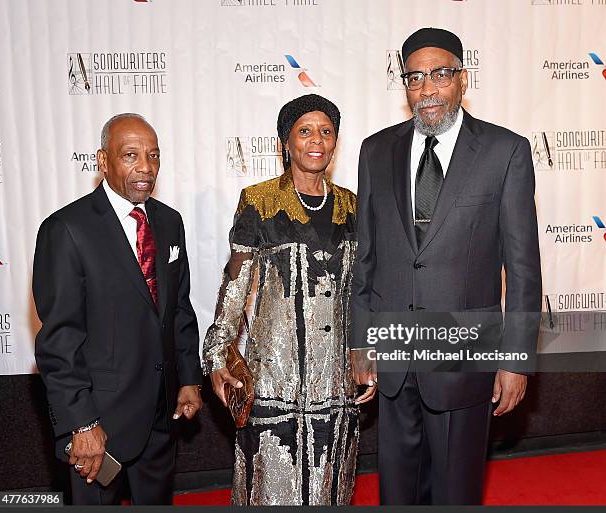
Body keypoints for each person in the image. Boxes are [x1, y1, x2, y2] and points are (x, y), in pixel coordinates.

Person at [352, 28, 542, 505]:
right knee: (398, 491)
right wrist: (360, 340)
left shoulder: (505, 151)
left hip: (464, 353)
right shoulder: (376, 151)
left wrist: (515, 359)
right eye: (415, 77)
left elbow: (522, 268)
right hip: (394, 350)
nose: (428, 88)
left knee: (456, 492)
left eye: (440, 74)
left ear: (462, 78)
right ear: (405, 85)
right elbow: (366, 257)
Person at [203, 94, 375, 506]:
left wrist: (369, 351)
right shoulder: (259, 202)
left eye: (326, 131)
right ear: (286, 141)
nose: (316, 140)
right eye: (305, 130)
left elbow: (365, 288)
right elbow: (234, 286)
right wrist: (216, 356)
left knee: (332, 493)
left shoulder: (353, 207)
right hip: (271, 385)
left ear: (335, 142)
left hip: (335, 388)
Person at [33, 113, 203, 505]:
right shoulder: (66, 229)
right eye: (130, 155)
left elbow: (178, 309)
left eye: (154, 155)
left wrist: (189, 378)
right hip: (99, 427)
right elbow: (59, 343)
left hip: (161, 419)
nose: (146, 167)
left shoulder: (169, 222)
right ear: (102, 160)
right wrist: (82, 423)